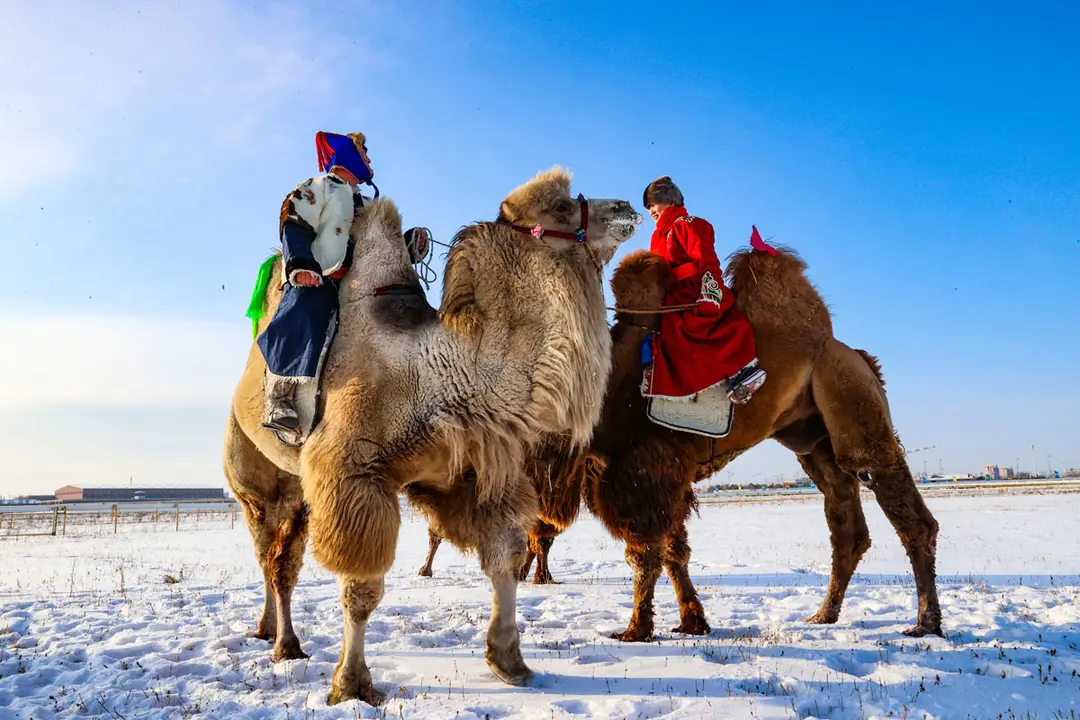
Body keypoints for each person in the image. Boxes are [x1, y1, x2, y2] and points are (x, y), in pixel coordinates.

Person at [257, 131, 431, 436]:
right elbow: (295, 221)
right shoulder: (317, 187)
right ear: (348, 153)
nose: (370, 159)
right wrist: (301, 265)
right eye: (365, 151)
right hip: (319, 276)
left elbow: (378, 244)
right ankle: (279, 395)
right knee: (305, 307)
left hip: (360, 285)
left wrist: (407, 245)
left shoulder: (369, 204)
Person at [640, 176, 766, 404]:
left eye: (653, 203)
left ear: (668, 199)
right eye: (648, 207)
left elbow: (707, 260)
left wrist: (710, 293)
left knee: (701, 329)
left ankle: (739, 373)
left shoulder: (689, 224)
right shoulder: (657, 236)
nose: (650, 210)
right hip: (670, 297)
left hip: (695, 291)